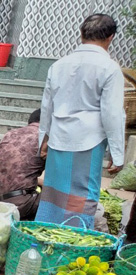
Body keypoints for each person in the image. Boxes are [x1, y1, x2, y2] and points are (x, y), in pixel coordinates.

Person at [36, 13, 125, 227]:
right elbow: (112, 113)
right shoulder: (109, 68)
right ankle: (74, 241)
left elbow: (47, 106)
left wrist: (44, 138)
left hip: (59, 137)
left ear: (81, 34)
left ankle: (44, 235)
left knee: (53, 195)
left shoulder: (59, 65)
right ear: (110, 37)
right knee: (80, 197)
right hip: (88, 141)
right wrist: (117, 153)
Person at [0, 109, 45, 221]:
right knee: (57, 196)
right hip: (19, 203)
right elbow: (53, 181)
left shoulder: (10, 134)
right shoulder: (45, 139)